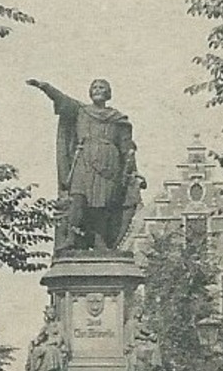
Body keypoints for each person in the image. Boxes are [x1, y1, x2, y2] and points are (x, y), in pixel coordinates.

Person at [27, 78, 145, 252]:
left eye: (102, 87)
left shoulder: (118, 119)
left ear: (108, 93)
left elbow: (127, 149)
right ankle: (72, 237)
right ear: (90, 92)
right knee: (78, 198)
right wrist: (44, 87)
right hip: (84, 159)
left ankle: (99, 241)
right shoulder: (80, 111)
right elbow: (61, 99)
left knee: (102, 204)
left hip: (109, 164)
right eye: (95, 87)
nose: (98, 90)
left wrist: (133, 172)